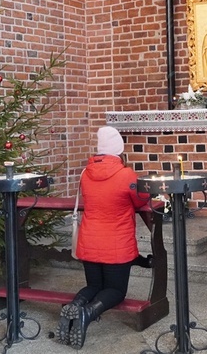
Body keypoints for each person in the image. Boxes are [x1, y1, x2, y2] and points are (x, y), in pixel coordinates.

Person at [56, 126, 150, 349]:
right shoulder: (125, 174)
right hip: (116, 243)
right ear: (118, 149)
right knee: (116, 291)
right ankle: (88, 313)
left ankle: (76, 304)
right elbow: (140, 200)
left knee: (94, 285)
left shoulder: (85, 173)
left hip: (90, 241)